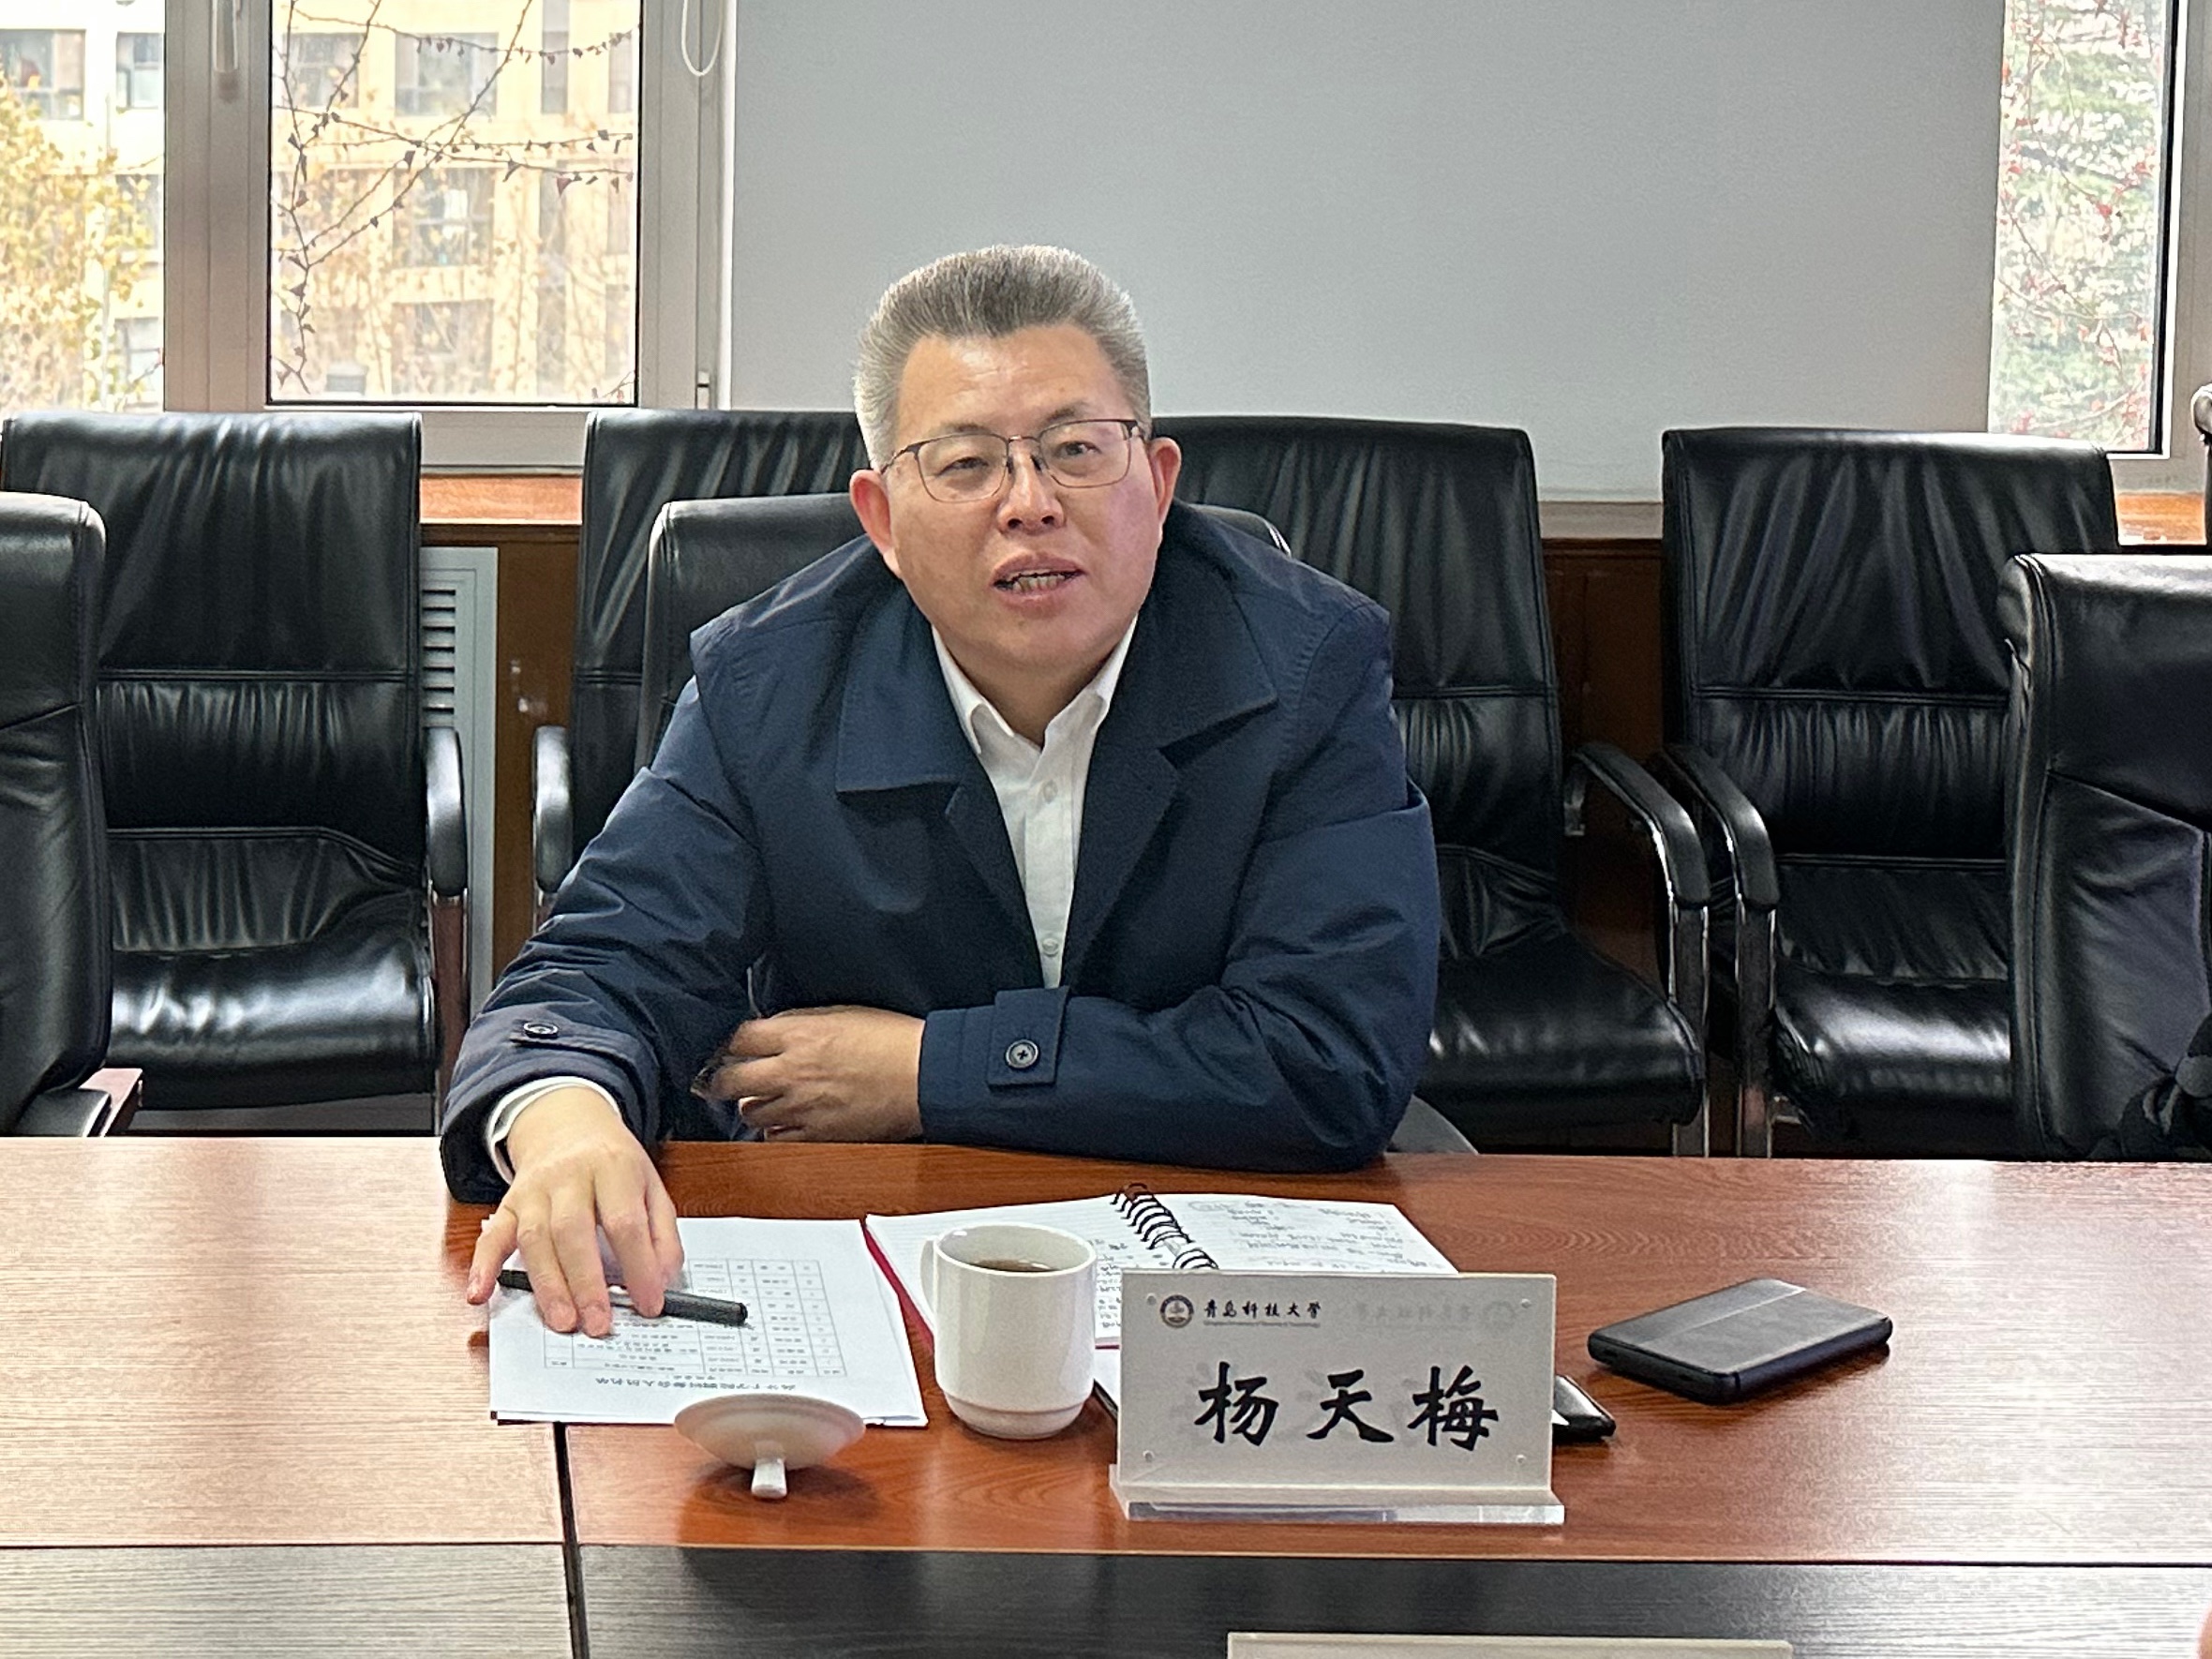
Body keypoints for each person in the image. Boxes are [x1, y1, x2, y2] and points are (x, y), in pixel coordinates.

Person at [443, 246, 1440, 1336]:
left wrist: (929, 1071)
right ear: (881, 520)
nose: (1029, 505)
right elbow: (595, 971)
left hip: (1191, 1269)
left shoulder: (1305, 667)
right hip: (856, 1251)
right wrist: (566, 1119)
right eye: (965, 465)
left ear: (1156, 485)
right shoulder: (769, 687)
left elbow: (1329, 1058)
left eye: (1074, 451)